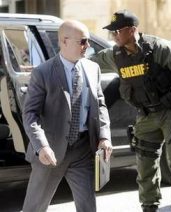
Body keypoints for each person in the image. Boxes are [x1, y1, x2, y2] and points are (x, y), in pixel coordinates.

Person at [92, 9, 171, 212]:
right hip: (145, 116)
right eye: (112, 32)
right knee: (145, 164)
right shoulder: (114, 55)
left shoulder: (160, 49)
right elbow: (88, 62)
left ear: (132, 30)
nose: (114, 35)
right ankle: (149, 206)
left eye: (117, 31)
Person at [22, 20, 112, 212]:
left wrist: (104, 136)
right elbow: (30, 114)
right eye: (83, 41)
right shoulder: (43, 73)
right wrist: (42, 146)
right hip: (50, 152)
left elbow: (100, 105)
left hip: (83, 150)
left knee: (88, 207)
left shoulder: (92, 68)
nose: (88, 46)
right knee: (34, 208)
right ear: (64, 41)